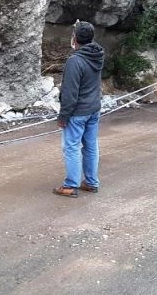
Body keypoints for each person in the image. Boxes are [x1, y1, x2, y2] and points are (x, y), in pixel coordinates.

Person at [53, 21, 105, 198]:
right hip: (94, 108)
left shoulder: (75, 61)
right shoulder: (98, 54)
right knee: (90, 146)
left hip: (78, 112)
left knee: (72, 147)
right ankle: (91, 182)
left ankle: (71, 186)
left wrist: (63, 117)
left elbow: (69, 93)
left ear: (75, 39)